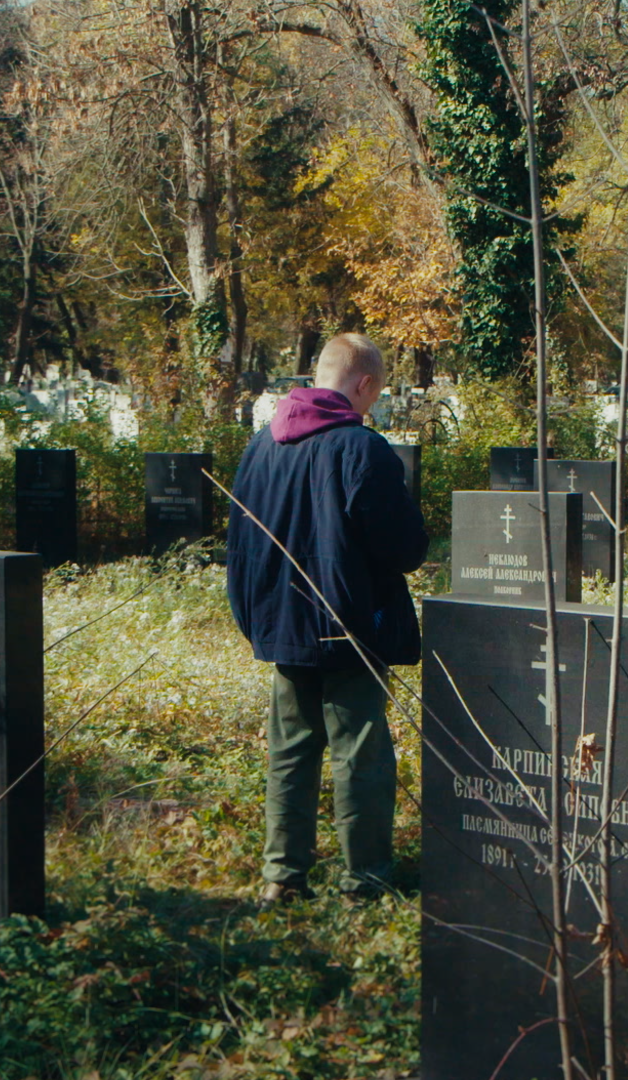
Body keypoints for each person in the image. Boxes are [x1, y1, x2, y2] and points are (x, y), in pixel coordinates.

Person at [226, 333, 428, 904]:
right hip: (349, 629)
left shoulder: (262, 445)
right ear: (363, 384)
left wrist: (255, 621)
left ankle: (281, 878)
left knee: (290, 752)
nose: (373, 404)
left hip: (282, 627)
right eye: (376, 393)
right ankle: (364, 881)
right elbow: (405, 549)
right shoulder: (362, 449)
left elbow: (238, 546)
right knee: (359, 754)